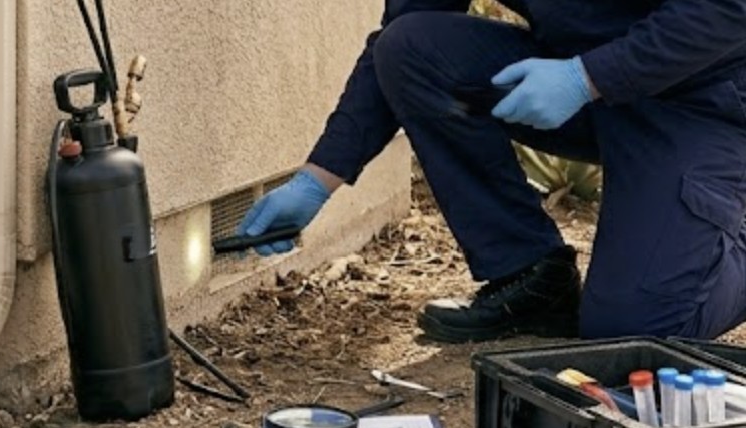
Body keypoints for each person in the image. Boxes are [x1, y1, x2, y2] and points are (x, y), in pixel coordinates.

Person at [238, 0, 746, 343]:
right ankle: (530, 277)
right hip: (578, 83)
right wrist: (316, 178)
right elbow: (402, 33)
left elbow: (726, 9)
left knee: (634, 329)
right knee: (412, 48)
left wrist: (587, 77)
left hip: (698, 99)